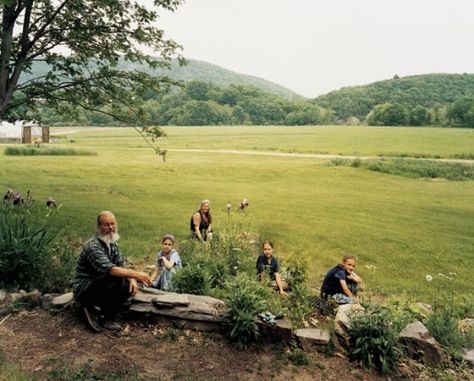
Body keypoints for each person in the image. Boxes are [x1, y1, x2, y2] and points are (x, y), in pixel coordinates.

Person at [72, 211, 152, 332]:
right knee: (116, 279)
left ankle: (97, 308)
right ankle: (104, 317)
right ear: (99, 226)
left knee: (128, 285)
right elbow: (111, 270)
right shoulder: (92, 246)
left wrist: (132, 279)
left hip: (99, 284)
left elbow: (121, 264)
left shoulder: (112, 243)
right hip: (85, 288)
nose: (111, 228)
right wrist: (137, 275)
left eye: (113, 224)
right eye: (106, 225)